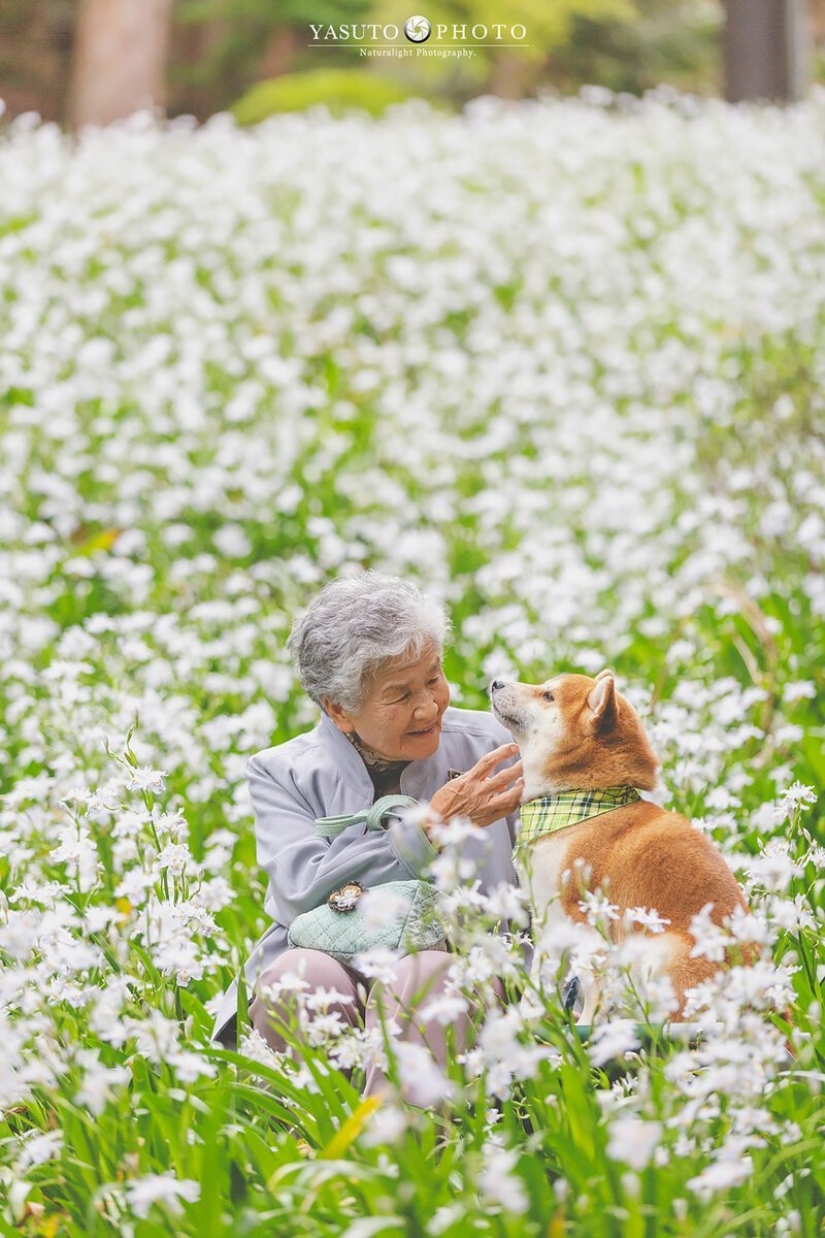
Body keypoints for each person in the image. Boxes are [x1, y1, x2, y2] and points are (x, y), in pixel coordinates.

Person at [212, 572, 523, 1105]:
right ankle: (304, 1162)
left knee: (429, 976)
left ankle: (400, 1161)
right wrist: (424, 834)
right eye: (399, 695)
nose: (429, 706)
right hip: (334, 963)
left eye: (434, 677)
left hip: (468, 974)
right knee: (301, 974)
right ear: (338, 708)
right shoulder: (281, 772)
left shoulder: (493, 747)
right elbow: (301, 896)